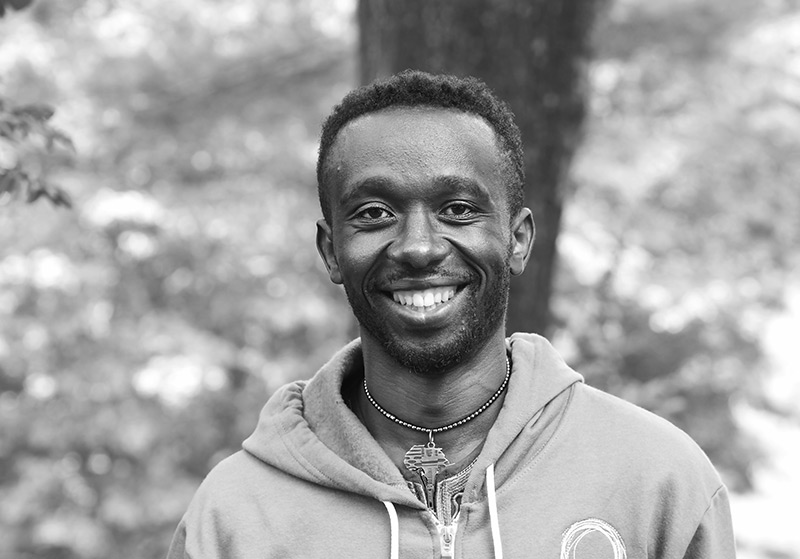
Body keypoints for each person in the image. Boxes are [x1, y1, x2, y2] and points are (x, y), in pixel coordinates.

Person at [166, 70, 735, 559]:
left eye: (458, 209)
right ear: (331, 250)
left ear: (517, 239)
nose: (418, 247)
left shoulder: (656, 478)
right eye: (374, 212)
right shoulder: (236, 515)